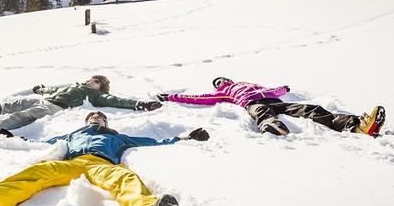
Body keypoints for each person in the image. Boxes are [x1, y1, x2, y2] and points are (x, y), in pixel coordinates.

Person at [0, 111, 209, 206]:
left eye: (99, 117)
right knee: (36, 172)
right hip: (72, 164)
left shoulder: (116, 136)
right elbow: (41, 142)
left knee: (125, 179)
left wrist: (184, 137)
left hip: (102, 165)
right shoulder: (73, 135)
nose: (96, 118)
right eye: (92, 117)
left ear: (105, 121)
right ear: (87, 121)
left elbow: (151, 141)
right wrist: (13, 137)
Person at [158, 77, 385, 137]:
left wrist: (282, 89)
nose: (222, 84)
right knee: (262, 115)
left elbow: (275, 91)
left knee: (311, 109)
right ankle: (273, 128)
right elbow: (198, 98)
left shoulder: (251, 84)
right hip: (254, 104)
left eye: (222, 81)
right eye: (218, 83)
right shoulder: (224, 93)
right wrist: (171, 97)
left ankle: (356, 125)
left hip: (274, 100)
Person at [0, 75, 162, 137]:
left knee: (24, 115)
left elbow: (115, 101)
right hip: (44, 99)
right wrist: (41, 89)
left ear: (101, 87)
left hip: (55, 107)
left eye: (95, 81)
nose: (90, 82)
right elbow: (53, 89)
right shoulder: (75, 84)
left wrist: (140, 104)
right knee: (10, 104)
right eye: (91, 79)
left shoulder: (93, 94)